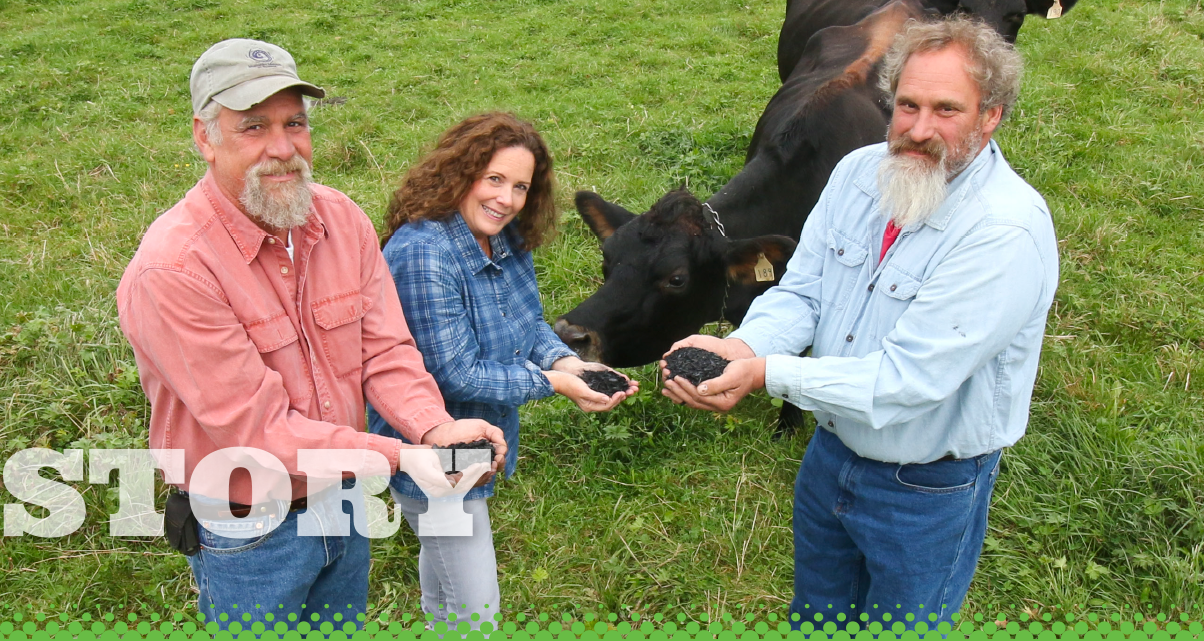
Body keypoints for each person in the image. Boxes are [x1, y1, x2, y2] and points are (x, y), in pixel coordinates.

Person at [656, 16, 1058, 628]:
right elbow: (804, 292)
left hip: (924, 488)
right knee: (818, 616)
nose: (919, 130)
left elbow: (906, 381)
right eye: (907, 105)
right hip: (830, 454)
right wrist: (742, 344)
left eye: (946, 110)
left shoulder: (1003, 232)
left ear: (990, 115)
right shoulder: (859, 173)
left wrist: (763, 373)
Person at [114, 38, 502, 629]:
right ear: (203, 137)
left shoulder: (340, 219)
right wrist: (407, 457)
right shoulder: (173, 271)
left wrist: (436, 425)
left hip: (342, 499)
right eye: (253, 127)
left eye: (295, 122)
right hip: (249, 528)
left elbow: (385, 351)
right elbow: (258, 432)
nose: (282, 148)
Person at [369, 112, 640, 629]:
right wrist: (553, 382)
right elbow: (456, 374)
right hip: (435, 457)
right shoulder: (424, 252)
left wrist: (567, 361)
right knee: (478, 613)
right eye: (494, 179)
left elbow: (529, 322)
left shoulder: (507, 236)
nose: (506, 199)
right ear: (461, 173)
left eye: (521, 186)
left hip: (478, 445)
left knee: (446, 582)